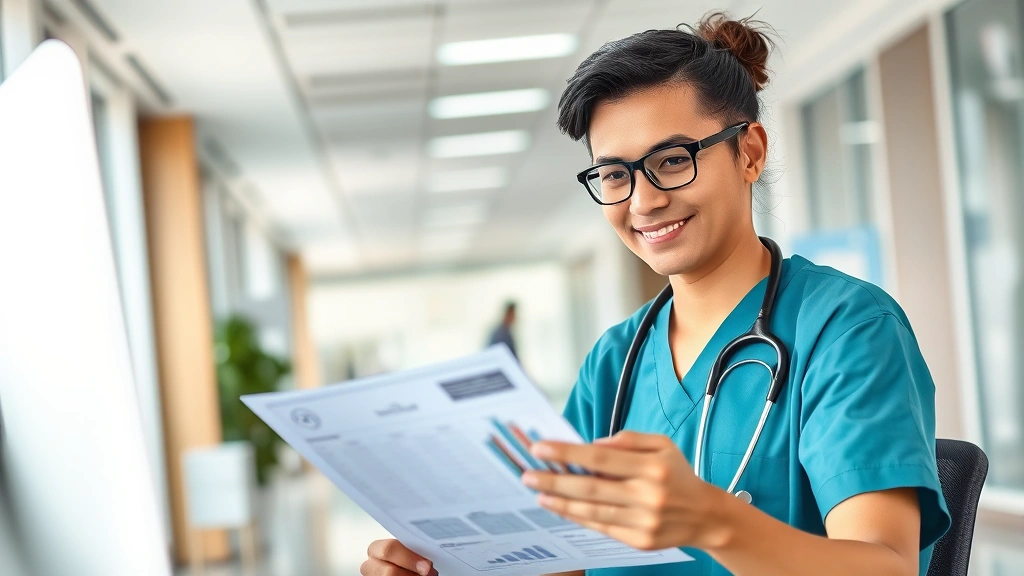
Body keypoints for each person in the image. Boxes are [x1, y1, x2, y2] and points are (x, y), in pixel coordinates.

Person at [362, 12, 950, 576]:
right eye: (615, 174)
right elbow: (563, 564)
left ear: (749, 152)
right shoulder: (614, 363)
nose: (643, 201)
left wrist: (713, 520)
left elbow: (886, 566)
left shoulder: (847, 329)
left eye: (672, 160)